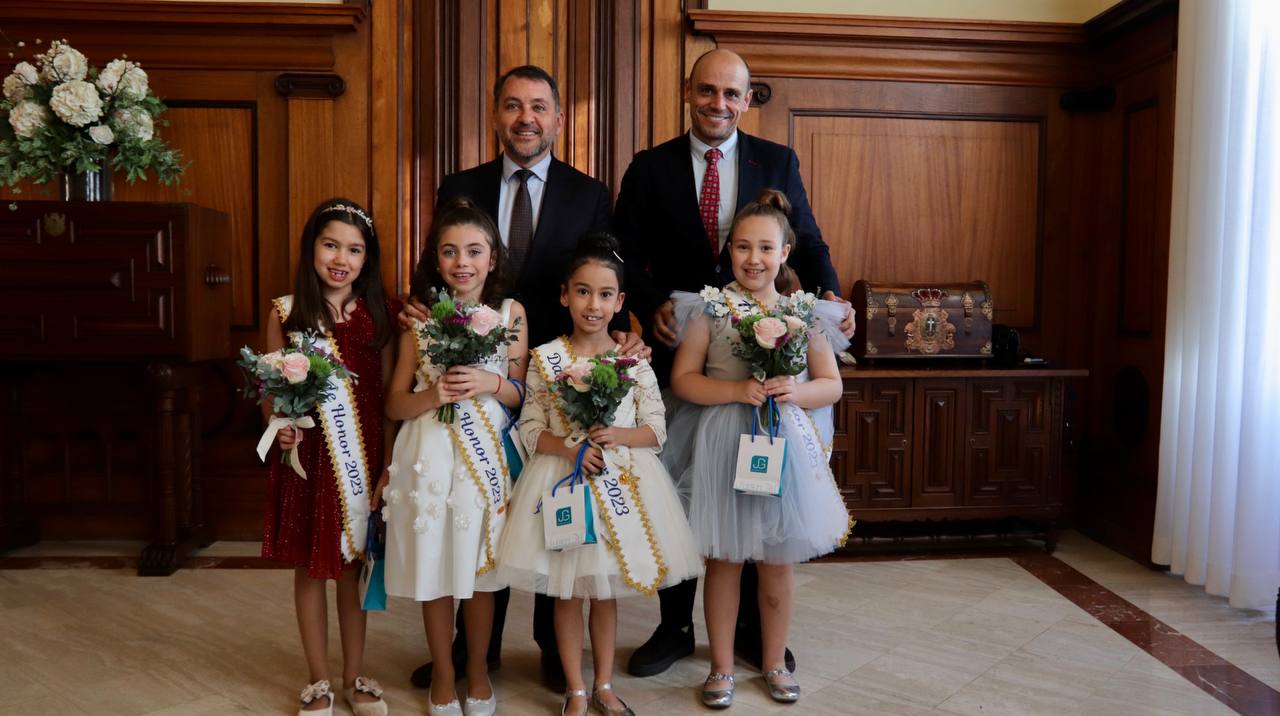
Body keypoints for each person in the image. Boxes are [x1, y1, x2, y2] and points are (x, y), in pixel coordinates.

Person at [613, 47, 852, 678]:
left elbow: (814, 242)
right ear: (688, 93)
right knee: (683, 491)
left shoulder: (778, 161)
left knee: (758, 498)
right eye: (706, 91)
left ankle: (754, 635)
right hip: (689, 350)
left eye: (731, 94)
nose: (718, 103)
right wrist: (649, 306)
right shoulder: (650, 167)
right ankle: (672, 627)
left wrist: (828, 299)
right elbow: (623, 255)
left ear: (747, 101)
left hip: (771, 351)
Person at [405, 64, 646, 693]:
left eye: (539, 106)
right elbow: (432, 268)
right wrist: (422, 314)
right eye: (513, 105)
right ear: (495, 116)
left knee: (547, 504)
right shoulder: (462, 184)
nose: (526, 118)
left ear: (559, 119)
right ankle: (467, 653)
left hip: (559, 371)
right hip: (474, 373)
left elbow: (602, 268)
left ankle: (549, 644)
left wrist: (625, 324)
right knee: (478, 511)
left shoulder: (588, 192)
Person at [495, 233, 701, 716]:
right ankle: (576, 689)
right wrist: (572, 448)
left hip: (624, 482)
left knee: (605, 592)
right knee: (567, 593)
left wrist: (615, 437)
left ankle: (604, 683)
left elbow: (656, 428)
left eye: (605, 294)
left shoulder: (633, 359)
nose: (593, 304)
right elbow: (530, 429)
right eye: (583, 292)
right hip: (564, 482)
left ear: (621, 301)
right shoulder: (547, 359)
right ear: (565, 295)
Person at [670, 190, 851, 707]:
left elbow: (830, 384)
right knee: (723, 559)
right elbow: (683, 379)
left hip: (783, 445)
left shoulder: (804, 312)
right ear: (729, 250)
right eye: (744, 247)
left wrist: (796, 391)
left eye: (766, 248)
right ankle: (721, 667)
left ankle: (773, 661)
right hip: (726, 442)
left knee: (776, 560)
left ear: (786, 252)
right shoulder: (709, 309)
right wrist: (732, 391)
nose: (754, 259)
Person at [381, 199, 528, 716]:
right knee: (437, 568)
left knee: (479, 571)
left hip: (485, 454)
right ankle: (443, 670)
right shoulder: (418, 320)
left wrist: (492, 382)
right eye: (449, 252)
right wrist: (433, 396)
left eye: (473, 251)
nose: (462, 262)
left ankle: (479, 669)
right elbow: (395, 401)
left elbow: (522, 393)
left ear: (492, 259)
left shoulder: (511, 314)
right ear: (436, 260)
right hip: (430, 454)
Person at [261, 198, 396, 716]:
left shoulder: (378, 315)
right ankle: (317, 679)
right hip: (309, 463)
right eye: (331, 244)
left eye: (355, 249)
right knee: (311, 569)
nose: (341, 258)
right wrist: (281, 427)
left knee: (351, 568)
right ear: (311, 248)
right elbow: (268, 393)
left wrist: (386, 465)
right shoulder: (286, 311)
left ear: (368, 258)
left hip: (361, 463)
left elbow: (385, 399)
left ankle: (354, 674)